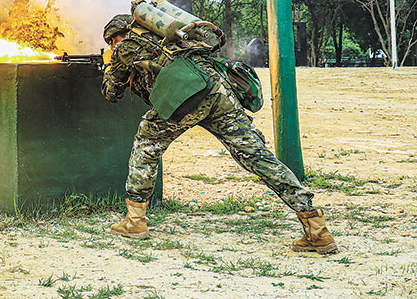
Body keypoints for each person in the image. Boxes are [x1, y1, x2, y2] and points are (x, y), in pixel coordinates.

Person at [100, 14, 338, 254]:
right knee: (257, 157)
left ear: (116, 36)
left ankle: (135, 222)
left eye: (112, 40)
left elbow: (111, 93)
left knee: (146, 148)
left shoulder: (127, 46)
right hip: (218, 91)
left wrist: (110, 64)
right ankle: (316, 228)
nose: (113, 45)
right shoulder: (174, 37)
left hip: (183, 97)